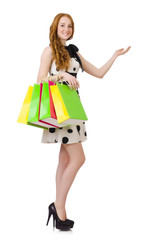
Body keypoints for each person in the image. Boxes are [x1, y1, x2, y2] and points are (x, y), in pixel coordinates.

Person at [36, 13, 131, 231]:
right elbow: (40, 80)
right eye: (62, 25)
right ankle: (58, 206)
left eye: (69, 26)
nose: (66, 29)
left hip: (74, 109)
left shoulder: (73, 51)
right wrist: (61, 75)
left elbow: (98, 73)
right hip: (60, 111)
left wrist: (115, 56)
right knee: (79, 159)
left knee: (64, 160)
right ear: (55, 27)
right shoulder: (49, 50)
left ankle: (58, 208)